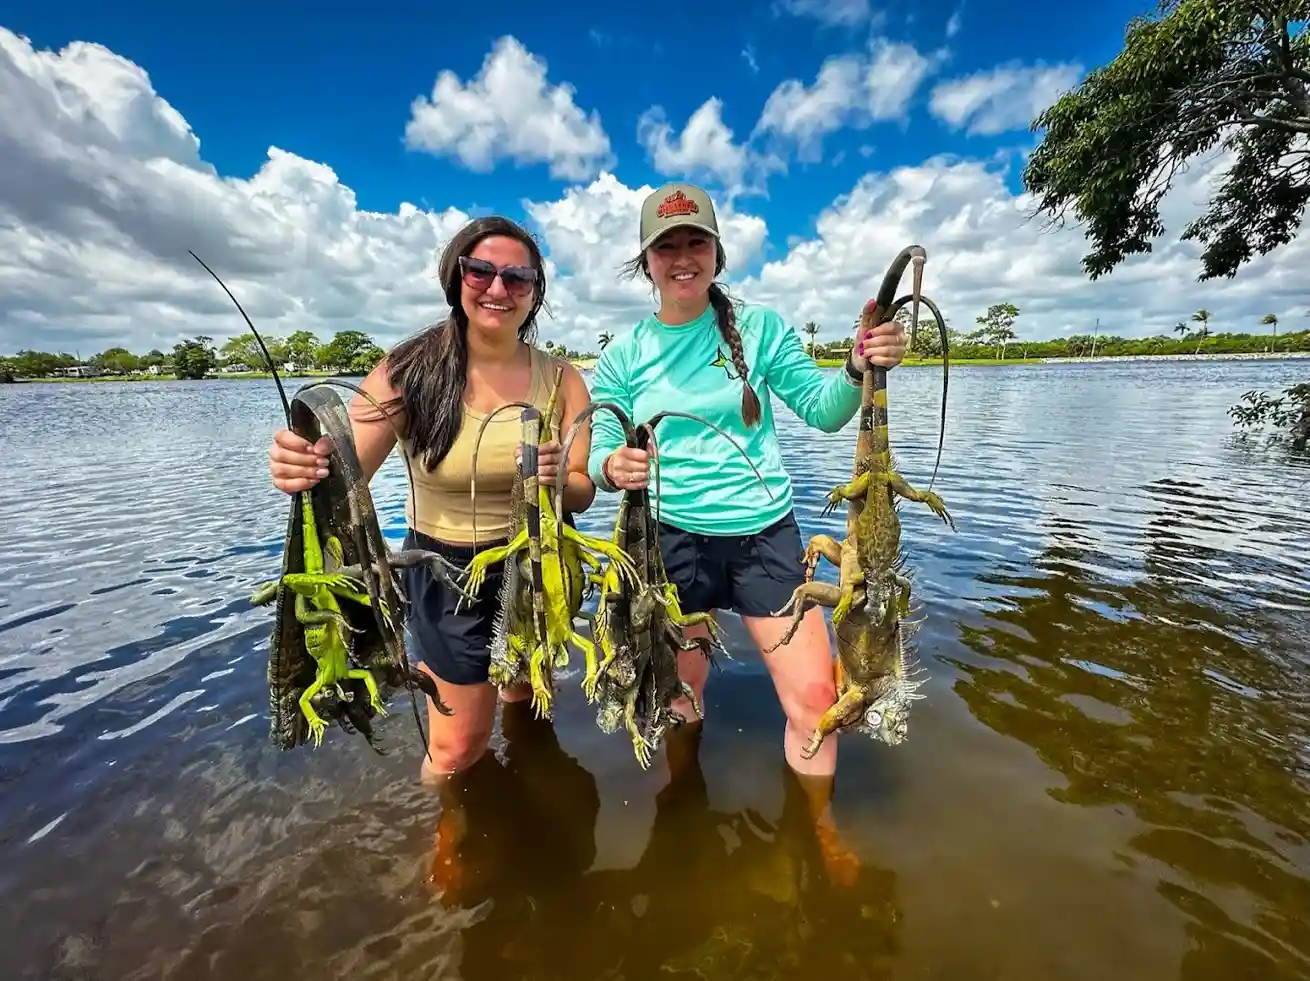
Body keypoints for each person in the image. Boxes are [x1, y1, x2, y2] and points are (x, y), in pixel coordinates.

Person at [586, 181, 909, 883]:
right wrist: (613, 463)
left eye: (694, 242)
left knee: (818, 700)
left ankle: (820, 827)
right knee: (678, 693)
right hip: (669, 543)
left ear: (717, 252)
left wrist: (860, 363)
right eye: (665, 246)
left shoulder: (759, 330)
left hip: (765, 537)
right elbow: (597, 447)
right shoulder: (625, 353)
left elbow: (825, 410)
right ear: (645, 262)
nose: (681, 258)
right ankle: (679, 789)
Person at [265, 215, 597, 784]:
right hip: (447, 571)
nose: (498, 289)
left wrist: (556, 480)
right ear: (456, 277)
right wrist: (303, 466)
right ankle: (448, 855)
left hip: (538, 561)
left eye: (517, 278)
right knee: (457, 746)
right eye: (481, 272)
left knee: (526, 691)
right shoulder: (407, 370)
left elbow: (583, 492)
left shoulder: (563, 379)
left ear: (536, 291)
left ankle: (530, 795)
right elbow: (345, 476)